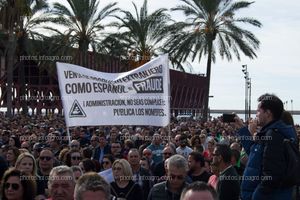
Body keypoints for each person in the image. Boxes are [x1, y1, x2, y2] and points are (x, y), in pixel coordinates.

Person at [235, 93, 297, 200]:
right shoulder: (270, 133)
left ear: (268, 113)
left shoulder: (274, 136)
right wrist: (242, 129)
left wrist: (255, 197)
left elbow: (272, 177)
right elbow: (255, 155)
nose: (256, 115)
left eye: (258, 111)